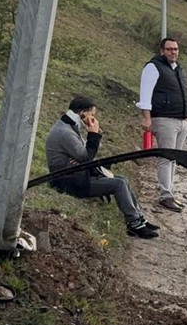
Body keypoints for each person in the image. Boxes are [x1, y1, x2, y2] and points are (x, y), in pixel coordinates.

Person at [45, 96, 159, 239]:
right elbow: (87, 157)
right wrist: (93, 134)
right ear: (83, 113)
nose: (93, 118)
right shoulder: (65, 132)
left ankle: (139, 217)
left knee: (123, 179)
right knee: (119, 184)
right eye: (92, 114)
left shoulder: (68, 126)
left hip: (76, 174)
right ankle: (133, 224)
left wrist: (90, 143)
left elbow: (84, 156)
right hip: (69, 181)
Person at [138, 37, 187, 213]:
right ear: (162, 51)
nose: (173, 52)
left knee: (174, 158)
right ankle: (165, 195)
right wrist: (146, 117)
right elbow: (145, 94)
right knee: (166, 158)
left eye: (175, 49)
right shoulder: (153, 67)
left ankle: (170, 193)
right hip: (164, 120)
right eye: (169, 49)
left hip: (181, 120)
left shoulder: (178, 69)